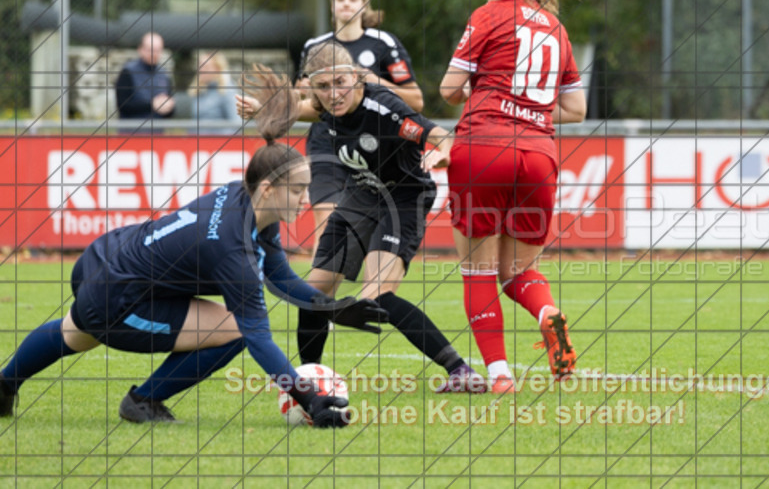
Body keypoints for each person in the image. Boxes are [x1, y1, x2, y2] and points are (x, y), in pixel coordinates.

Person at [0, 67, 388, 426]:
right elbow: (257, 337)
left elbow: (281, 276)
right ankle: (143, 401)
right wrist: (309, 399)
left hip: (104, 259)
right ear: (269, 189)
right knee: (233, 329)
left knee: (77, 332)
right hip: (116, 297)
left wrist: (331, 307)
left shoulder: (246, 198)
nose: (306, 199)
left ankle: (3, 385)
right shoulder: (232, 250)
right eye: (299, 190)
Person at [237, 44, 486, 393]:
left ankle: (461, 371)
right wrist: (264, 109)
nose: (334, 94)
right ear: (312, 87)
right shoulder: (327, 106)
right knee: (314, 295)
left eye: (341, 82)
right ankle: (310, 382)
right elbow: (304, 110)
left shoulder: (384, 107)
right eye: (323, 87)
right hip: (359, 198)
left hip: (402, 198)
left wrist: (443, 151)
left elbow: (435, 133)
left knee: (377, 298)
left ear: (356, 76)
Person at [439, 0, 599, 393]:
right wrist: (523, 105)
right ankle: (548, 313)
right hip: (537, 152)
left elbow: (449, 91)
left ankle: (500, 375)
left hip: (483, 147)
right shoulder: (556, 26)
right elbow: (576, 109)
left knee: (478, 269)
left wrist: (489, 94)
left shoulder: (484, 18)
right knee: (517, 272)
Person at [295, 0, 424, 257]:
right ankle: (319, 297)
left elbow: (416, 100)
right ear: (331, 5)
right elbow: (303, 101)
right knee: (327, 224)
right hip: (325, 143)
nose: (346, 3)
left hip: (371, 146)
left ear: (364, 3)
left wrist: (373, 81)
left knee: (372, 230)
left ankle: (372, 290)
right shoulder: (315, 47)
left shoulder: (384, 43)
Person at [115, 32, 176, 121]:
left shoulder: (164, 75)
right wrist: (152, 105)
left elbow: (170, 111)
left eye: (157, 50)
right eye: (150, 50)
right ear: (140, 49)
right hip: (132, 132)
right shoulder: (128, 72)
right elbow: (123, 105)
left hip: (157, 132)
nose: (154, 54)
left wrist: (169, 107)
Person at [189, 50, 242, 134]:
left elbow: (236, 124)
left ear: (217, 69)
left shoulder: (227, 90)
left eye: (206, 67)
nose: (201, 70)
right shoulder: (198, 91)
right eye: (200, 66)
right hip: (197, 144)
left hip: (219, 143)